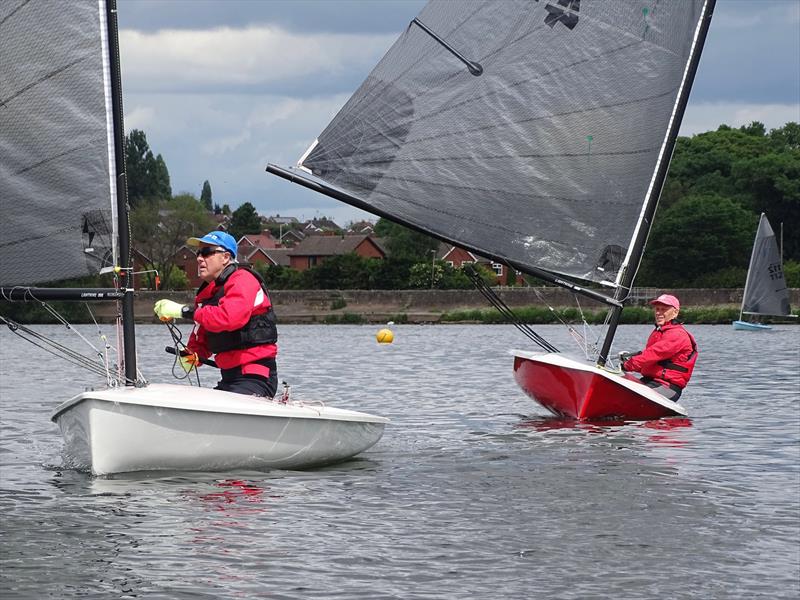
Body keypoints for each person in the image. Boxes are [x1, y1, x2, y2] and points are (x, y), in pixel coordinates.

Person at [154, 230, 279, 397]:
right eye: (198, 253)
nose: (199, 258)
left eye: (206, 252)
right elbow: (202, 335)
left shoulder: (243, 279)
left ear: (226, 257)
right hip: (230, 378)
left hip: (255, 378)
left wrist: (183, 311)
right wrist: (192, 355)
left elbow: (229, 317)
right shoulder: (208, 294)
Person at [620, 294, 698, 402]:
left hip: (667, 387)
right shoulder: (659, 332)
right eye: (657, 309)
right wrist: (625, 364)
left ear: (675, 312)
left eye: (663, 309)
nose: (658, 313)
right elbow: (650, 361)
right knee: (617, 385)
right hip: (650, 381)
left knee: (627, 396)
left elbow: (653, 354)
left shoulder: (677, 334)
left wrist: (628, 365)